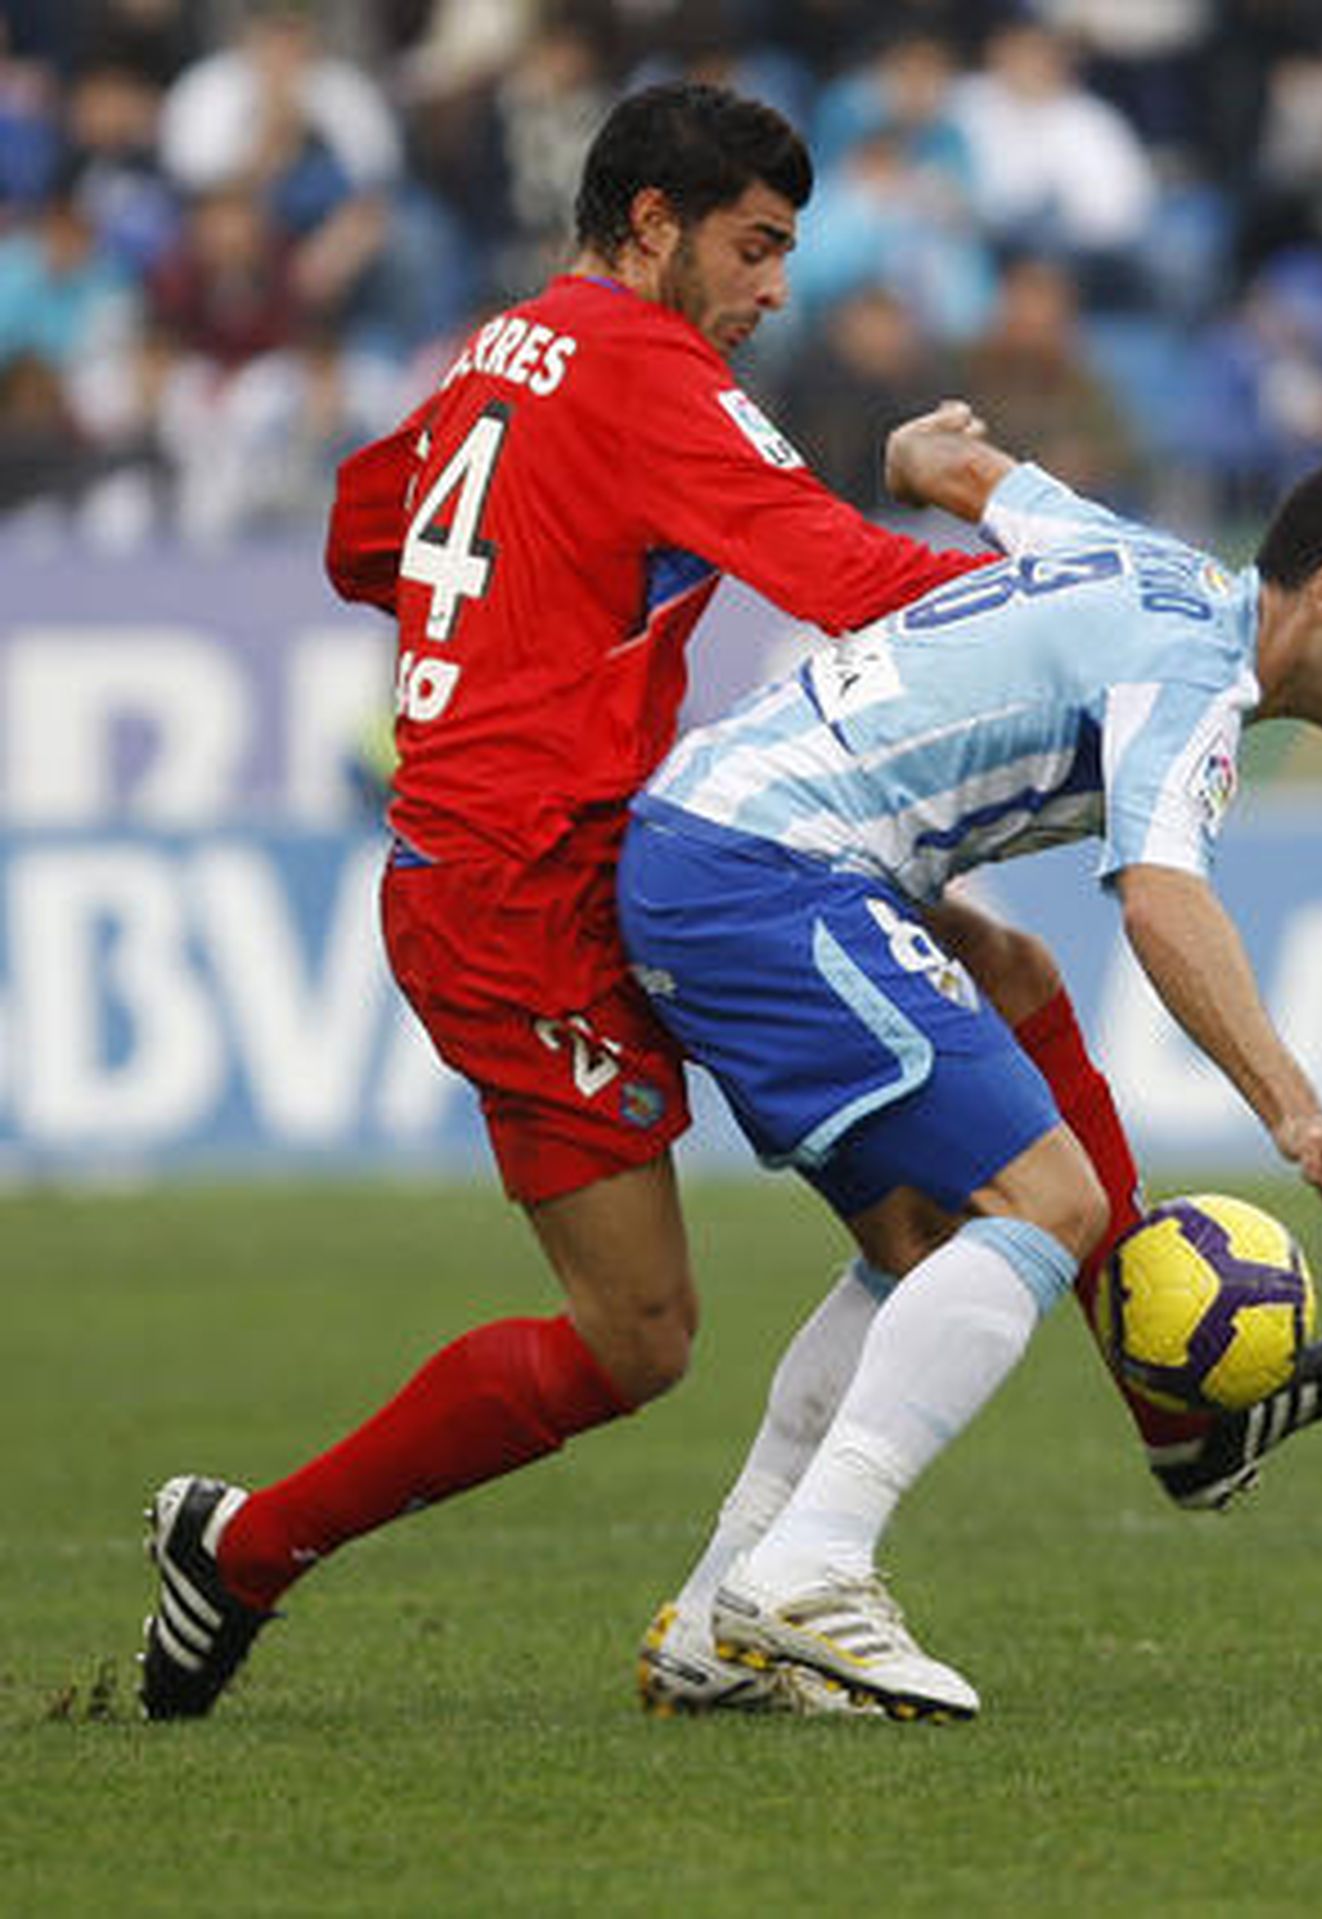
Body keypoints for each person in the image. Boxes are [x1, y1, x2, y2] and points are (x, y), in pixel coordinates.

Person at [134, 80, 1142, 1722]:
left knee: (918, 1214)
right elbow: (843, 571)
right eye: (753, 248)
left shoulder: (498, 346)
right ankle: (245, 1548)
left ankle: (758, 1607)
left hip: (593, 855)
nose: (773, 290)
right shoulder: (637, 358)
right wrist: (1104, 615)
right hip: (516, 882)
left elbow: (356, 530)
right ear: (654, 224)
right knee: (638, 1335)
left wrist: (504, 605)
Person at [621, 442, 1322, 1720]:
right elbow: (1159, 899)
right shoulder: (1196, 672)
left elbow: (990, 483)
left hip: (717, 843)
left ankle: (713, 1617)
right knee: (1051, 1201)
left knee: (927, 1225)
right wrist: (1292, 1107)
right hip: (768, 868)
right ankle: (813, 1567)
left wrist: (927, 456)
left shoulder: (1148, 564)